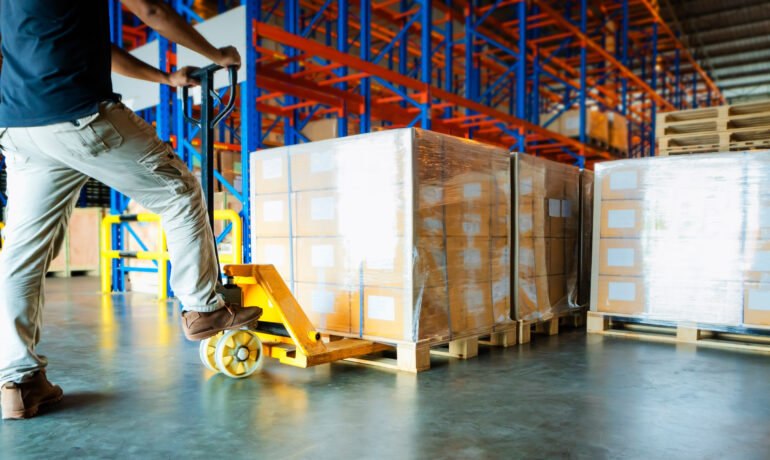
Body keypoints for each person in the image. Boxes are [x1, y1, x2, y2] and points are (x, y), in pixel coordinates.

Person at [0, 0, 262, 420]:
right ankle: (204, 308)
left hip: (21, 125)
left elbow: (96, 47)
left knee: (21, 255)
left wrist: (165, 77)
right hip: (79, 112)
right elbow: (152, 10)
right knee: (180, 191)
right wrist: (218, 55)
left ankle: (19, 382)